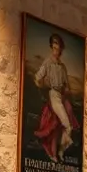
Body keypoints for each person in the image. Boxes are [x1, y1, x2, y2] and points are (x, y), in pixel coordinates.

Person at [32, 33, 80, 162]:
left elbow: (67, 85)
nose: (56, 47)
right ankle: (55, 152)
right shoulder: (48, 62)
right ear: (51, 46)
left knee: (68, 126)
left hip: (62, 96)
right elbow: (38, 77)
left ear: (61, 48)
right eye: (54, 44)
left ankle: (60, 150)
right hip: (53, 95)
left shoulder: (62, 67)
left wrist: (67, 90)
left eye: (58, 44)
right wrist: (43, 85)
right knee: (66, 125)